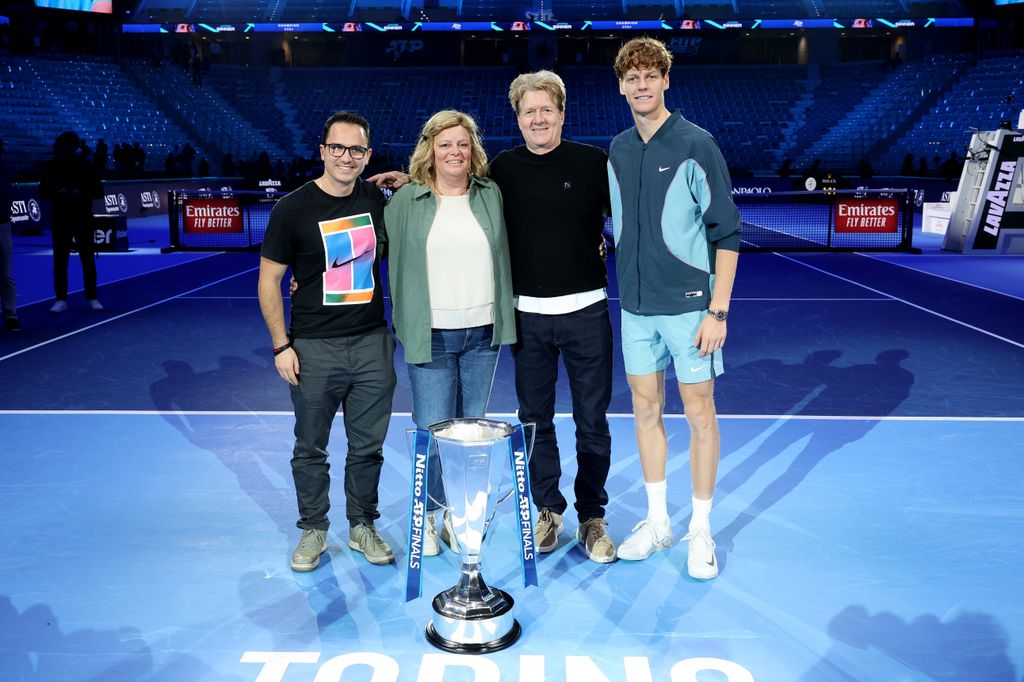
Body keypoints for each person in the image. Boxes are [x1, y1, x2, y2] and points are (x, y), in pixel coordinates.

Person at [608, 37, 741, 579]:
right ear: (621, 86)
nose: (641, 85)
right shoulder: (617, 148)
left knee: (699, 413)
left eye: (650, 76)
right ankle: (659, 521)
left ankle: (700, 530)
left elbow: (727, 234)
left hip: (690, 311)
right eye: (631, 78)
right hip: (635, 308)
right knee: (644, 410)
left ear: (666, 80)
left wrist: (719, 311)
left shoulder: (696, 144)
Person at [258, 111, 397, 571]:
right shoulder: (291, 209)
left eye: (356, 150)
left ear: (367, 155)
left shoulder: (379, 200)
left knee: (367, 449)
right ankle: (313, 530)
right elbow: (270, 280)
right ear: (322, 150)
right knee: (310, 448)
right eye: (337, 147)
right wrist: (281, 345)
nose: (346, 157)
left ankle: (362, 526)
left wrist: (410, 176)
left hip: (372, 343)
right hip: (313, 348)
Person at [489, 71, 616, 563]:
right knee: (533, 420)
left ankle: (591, 516)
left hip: (587, 311)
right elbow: (454, 189)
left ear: (562, 114)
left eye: (547, 109)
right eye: (529, 111)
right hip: (528, 318)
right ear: (518, 119)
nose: (538, 118)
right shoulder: (502, 168)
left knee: (592, 422)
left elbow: (634, 210)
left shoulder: (592, 162)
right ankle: (548, 509)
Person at [383, 110, 515, 556]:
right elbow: (373, 247)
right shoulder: (407, 201)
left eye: (462, 144)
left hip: (482, 335)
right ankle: (431, 513)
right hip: (430, 335)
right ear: (430, 150)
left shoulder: (491, 194)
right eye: (445, 144)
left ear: (472, 150)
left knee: (469, 436)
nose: (454, 152)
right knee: (432, 431)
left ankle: (459, 517)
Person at [38, 131, 104, 313]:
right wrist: (57, 192)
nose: (65, 150)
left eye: (69, 146)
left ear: (75, 147)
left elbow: (99, 191)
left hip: (82, 216)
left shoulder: (87, 166)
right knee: (60, 259)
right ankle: (60, 298)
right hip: (60, 217)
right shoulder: (51, 167)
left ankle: (92, 297)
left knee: (87, 258)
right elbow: (42, 192)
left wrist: (80, 193)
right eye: (62, 147)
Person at [0, 138, 19, 331]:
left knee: (5, 273)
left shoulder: (3, 170)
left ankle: (10, 314)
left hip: (1, 225)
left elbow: (4, 195)